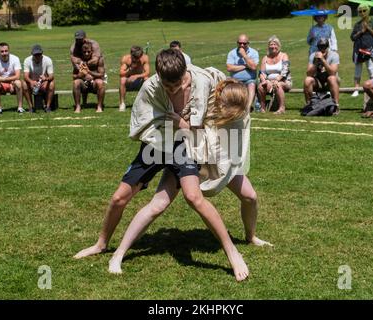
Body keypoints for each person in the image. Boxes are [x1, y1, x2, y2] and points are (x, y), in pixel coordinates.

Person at [74, 49, 250, 281]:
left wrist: (181, 123)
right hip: (156, 141)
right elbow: (144, 121)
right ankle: (102, 244)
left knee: (193, 197)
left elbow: (204, 126)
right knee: (119, 198)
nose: (172, 90)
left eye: (176, 84)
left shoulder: (202, 81)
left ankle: (232, 252)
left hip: (185, 146)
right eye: (167, 86)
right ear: (158, 76)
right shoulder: (151, 87)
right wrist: (177, 125)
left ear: (185, 73)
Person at [105, 78, 272, 276]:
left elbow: (228, 148)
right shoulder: (205, 100)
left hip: (219, 162)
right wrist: (184, 125)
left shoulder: (240, 114)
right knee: (158, 204)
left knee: (250, 196)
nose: (227, 115)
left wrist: (184, 125)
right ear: (219, 100)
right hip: (189, 158)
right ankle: (119, 253)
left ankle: (251, 236)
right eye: (225, 109)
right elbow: (192, 138)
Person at [350, 4, 373, 98]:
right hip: (358, 49)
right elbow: (352, 37)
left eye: (364, 10)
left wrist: (368, 28)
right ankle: (356, 89)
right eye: (360, 11)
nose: (362, 13)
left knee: (371, 69)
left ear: (368, 11)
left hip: (370, 49)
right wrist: (361, 31)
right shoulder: (357, 24)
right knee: (357, 70)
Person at [257, 36, 292, 114]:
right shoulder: (265, 58)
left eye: (275, 44)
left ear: (278, 46)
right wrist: (265, 81)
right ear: (268, 46)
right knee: (260, 86)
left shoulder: (284, 56)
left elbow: (284, 72)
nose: (273, 46)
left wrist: (275, 80)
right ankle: (262, 108)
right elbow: (262, 73)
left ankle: (282, 108)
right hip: (269, 81)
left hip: (284, 81)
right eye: (271, 44)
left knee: (278, 85)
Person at [303, 38, 340, 110]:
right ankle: (309, 105)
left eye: (324, 47)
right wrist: (316, 62)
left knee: (331, 78)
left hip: (331, 81)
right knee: (307, 80)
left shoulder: (334, 55)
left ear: (327, 47)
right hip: (318, 82)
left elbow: (333, 73)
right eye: (320, 47)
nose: (322, 49)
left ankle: (336, 106)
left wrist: (323, 60)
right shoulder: (313, 56)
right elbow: (309, 74)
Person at [226, 34, 259, 111]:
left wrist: (244, 55)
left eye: (244, 43)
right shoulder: (232, 53)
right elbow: (229, 68)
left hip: (249, 80)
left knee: (252, 84)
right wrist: (245, 66)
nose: (242, 45)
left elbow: (254, 67)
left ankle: (248, 107)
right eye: (239, 43)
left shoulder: (254, 52)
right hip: (235, 79)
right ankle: (231, 106)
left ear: (248, 43)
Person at [0, 42, 24, 115]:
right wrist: (8, 81)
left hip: (13, 83)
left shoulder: (15, 58)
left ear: (9, 50)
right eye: (2, 51)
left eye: (6, 51)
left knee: (18, 83)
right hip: (2, 85)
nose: (4, 53)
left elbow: (18, 76)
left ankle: (20, 108)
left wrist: (4, 79)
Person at [72, 43, 105, 113]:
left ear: (92, 51)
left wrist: (90, 72)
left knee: (100, 82)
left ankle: (99, 106)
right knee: (76, 82)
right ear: (81, 52)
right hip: (84, 83)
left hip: (94, 83)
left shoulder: (98, 60)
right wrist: (79, 75)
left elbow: (101, 74)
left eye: (88, 52)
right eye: (84, 52)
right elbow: (74, 76)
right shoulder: (79, 61)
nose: (86, 54)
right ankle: (78, 106)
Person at [22, 44, 55, 112]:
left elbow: (51, 76)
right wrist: (31, 82)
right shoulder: (27, 60)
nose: (37, 56)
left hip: (44, 82)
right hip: (32, 82)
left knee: (52, 84)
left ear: (42, 53)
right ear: (32, 54)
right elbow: (25, 76)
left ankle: (48, 107)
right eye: (35, 55)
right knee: (24, 84)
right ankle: (31, 107)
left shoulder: (48, 60)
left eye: (39, 54)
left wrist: (46, 79)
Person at [119, 46, 150, 112]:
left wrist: (136, 76)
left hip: (139, 80)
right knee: (122, 80)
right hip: (128, 80)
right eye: (134, 58)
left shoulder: (145, 58)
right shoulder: (125, 59)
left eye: (138, 58)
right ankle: (122, 103)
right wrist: (130, 70)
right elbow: (121, 73)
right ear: (131, 54)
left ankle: (146, 103)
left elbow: (147, 73)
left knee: (147, 79)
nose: (136, 59)